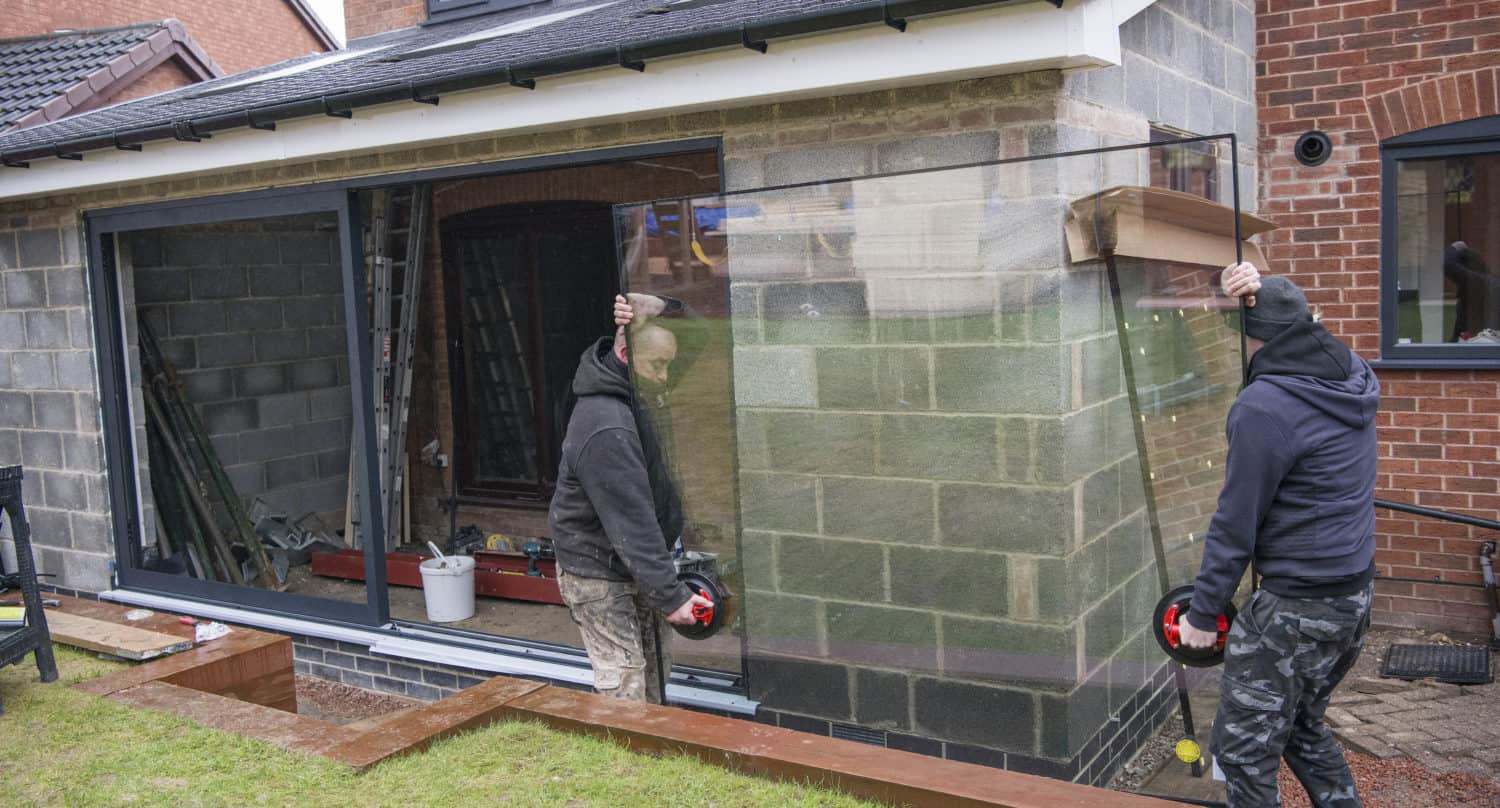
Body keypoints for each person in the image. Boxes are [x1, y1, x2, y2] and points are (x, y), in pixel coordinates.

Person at [1178, 263, 1380, 808]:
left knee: (1242, 753)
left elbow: (1235, 523)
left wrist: (1201, 616)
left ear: (1254, 339)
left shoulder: (1265, 407)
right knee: (1301, 726)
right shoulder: (1351, 373)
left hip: (1296, 609)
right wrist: (1251, 282)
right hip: (1353, 597)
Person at [547, 293, 712, 704]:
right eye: (659, 365)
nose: (665, 375)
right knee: (624, 682)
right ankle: (622, 763)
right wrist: (672, 597)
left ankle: (652, 755)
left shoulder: (638, 383)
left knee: (655, 672)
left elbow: (699, 337)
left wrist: (663, 306)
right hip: (597, 571)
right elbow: (631, 523)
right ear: (626, 353)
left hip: (633, 560)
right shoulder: (606, 424)